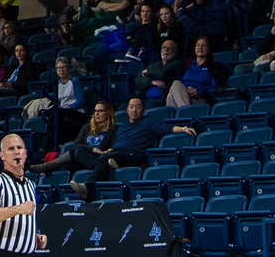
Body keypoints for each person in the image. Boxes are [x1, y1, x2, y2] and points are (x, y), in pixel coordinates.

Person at [69, 97, 197, 199]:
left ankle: (87, 187)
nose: (134, 110)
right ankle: (107, 165)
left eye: (138, 107)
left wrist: (184, 129)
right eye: (131, 107)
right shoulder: (122, 126)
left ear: (143, 110)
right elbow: (116, 143)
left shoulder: (148, 122)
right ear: (127, 110)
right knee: (79, 152)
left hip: (131, 155)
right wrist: (108, 151)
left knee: (106, 158)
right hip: (115, 153)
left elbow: (166, 129)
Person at [33, 100, 116, 177]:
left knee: (77, 152)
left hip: (99, 157)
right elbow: (77, 144)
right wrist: (92, 149)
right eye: (95, 111)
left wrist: (104, 152)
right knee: (70, 163)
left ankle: (47, 166)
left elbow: (113, 148)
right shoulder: (87, 127)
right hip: (84, 156)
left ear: (108, 113)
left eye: (101, 111)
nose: (97, 114)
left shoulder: (113, 130)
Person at [23, 57, 85, 139]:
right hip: (62, 110)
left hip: (76, 111)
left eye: (63, 67)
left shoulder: (74, 81)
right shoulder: (58, 84)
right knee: (43, 112)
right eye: (59, 68)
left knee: (55, 113)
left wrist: (68, 107)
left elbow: (80, 101)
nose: (61, 70)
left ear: (69, 69)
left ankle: (54, 139)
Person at [167, 37, 225, 107]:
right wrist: (186, 90)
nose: (200, 47)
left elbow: (215, 87)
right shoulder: (186, 64)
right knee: (175, 86)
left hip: (200, 98)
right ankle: (185, 112)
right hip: (183, 94)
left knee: (172, 95)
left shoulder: (213, 66)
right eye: (198, 45)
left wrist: (198, 90)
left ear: (209, 49)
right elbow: (179, 81)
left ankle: (182, 113)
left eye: (203, 45)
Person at [134, 38, 185, 105]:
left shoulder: (177, 64)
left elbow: (162, 73)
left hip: (163, 97)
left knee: (151, 105)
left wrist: (148, 71)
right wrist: (151, 82)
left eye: (170, 48)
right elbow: (138, 80)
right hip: (143, 97)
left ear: (175, 52)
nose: (166, 50)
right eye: (164, 47)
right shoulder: (154, 65)